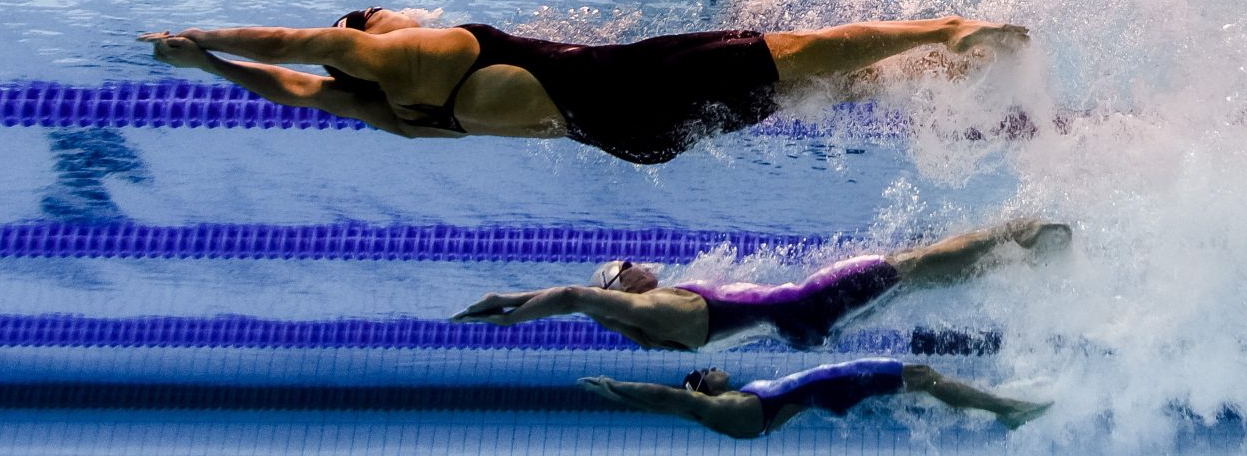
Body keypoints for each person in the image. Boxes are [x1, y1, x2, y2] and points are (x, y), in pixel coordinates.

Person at [139, 7, 1027, 165]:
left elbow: (293, 88)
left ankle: (933, 84)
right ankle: (945, 34)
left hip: (631, 139)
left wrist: (208, 67)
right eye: (386, 12)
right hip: (626, 89)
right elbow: (294, 46)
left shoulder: (406, 113)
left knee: (784, 90)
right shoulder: (408, 57)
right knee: (805, 49)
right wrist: (202, 39)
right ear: (365, 32)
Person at [453, 218, 1070, 350]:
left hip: (803, 324)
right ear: (623, 286)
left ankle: (1012, 261)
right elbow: (569, 298)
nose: (637, 261)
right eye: (626, 266)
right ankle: (1023, 236)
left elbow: (583, 305)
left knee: (908, 278)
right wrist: (506, 306)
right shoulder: (657, 312)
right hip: (808, 302)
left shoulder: (663, 323)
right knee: (908, 262)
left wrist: (508, 302)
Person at [579, 358, 1049, 437]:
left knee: (920, 382)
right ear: (702, 387)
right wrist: (615, 389)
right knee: (922, 377)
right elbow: (665, 399)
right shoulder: (716, 408)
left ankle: (1000, 406)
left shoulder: (737, 406)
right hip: (833, 385)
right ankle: (1005, 409)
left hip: (829, 391)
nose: (713, 367)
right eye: (706, 371)